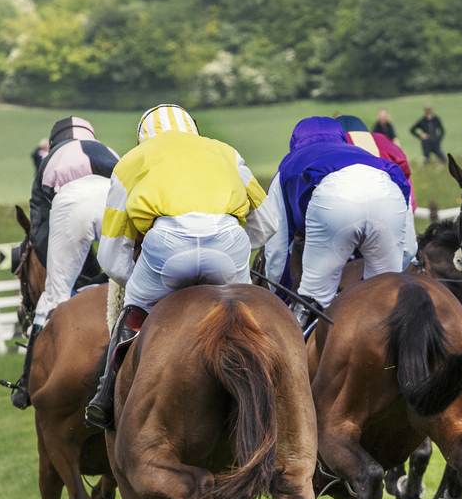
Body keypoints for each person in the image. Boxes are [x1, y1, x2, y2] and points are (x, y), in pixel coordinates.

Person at [84, 105, 277, 430]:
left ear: (143, 136)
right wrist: (236, 247)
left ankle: (104, 395)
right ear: (193, 129)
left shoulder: (131, 161)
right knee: (250, 312)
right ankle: (279, 385)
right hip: (228, 243)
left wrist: (141, 282)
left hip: (166, 248)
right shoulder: (225, 152)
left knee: (134, 303)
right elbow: (268, 223)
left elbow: (111, 257)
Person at [254, 116, 415, 327]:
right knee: (383, 297)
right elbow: (409, 248)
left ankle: (299, 338)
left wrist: (280, 293)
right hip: (388, 197)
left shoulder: (289, 164)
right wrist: (366, 286)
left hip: (334, 204)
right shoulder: (365, 155)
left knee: (314, 299)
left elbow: (278, 246)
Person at [5, 117, 119, 409]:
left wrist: (79, 279)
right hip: (114, 202)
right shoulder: (110, 152)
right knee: (134, 289)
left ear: (55, 141)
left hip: (72, 204)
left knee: (52, 298)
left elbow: (40, 234)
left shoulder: (49, 159)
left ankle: (25, 384)